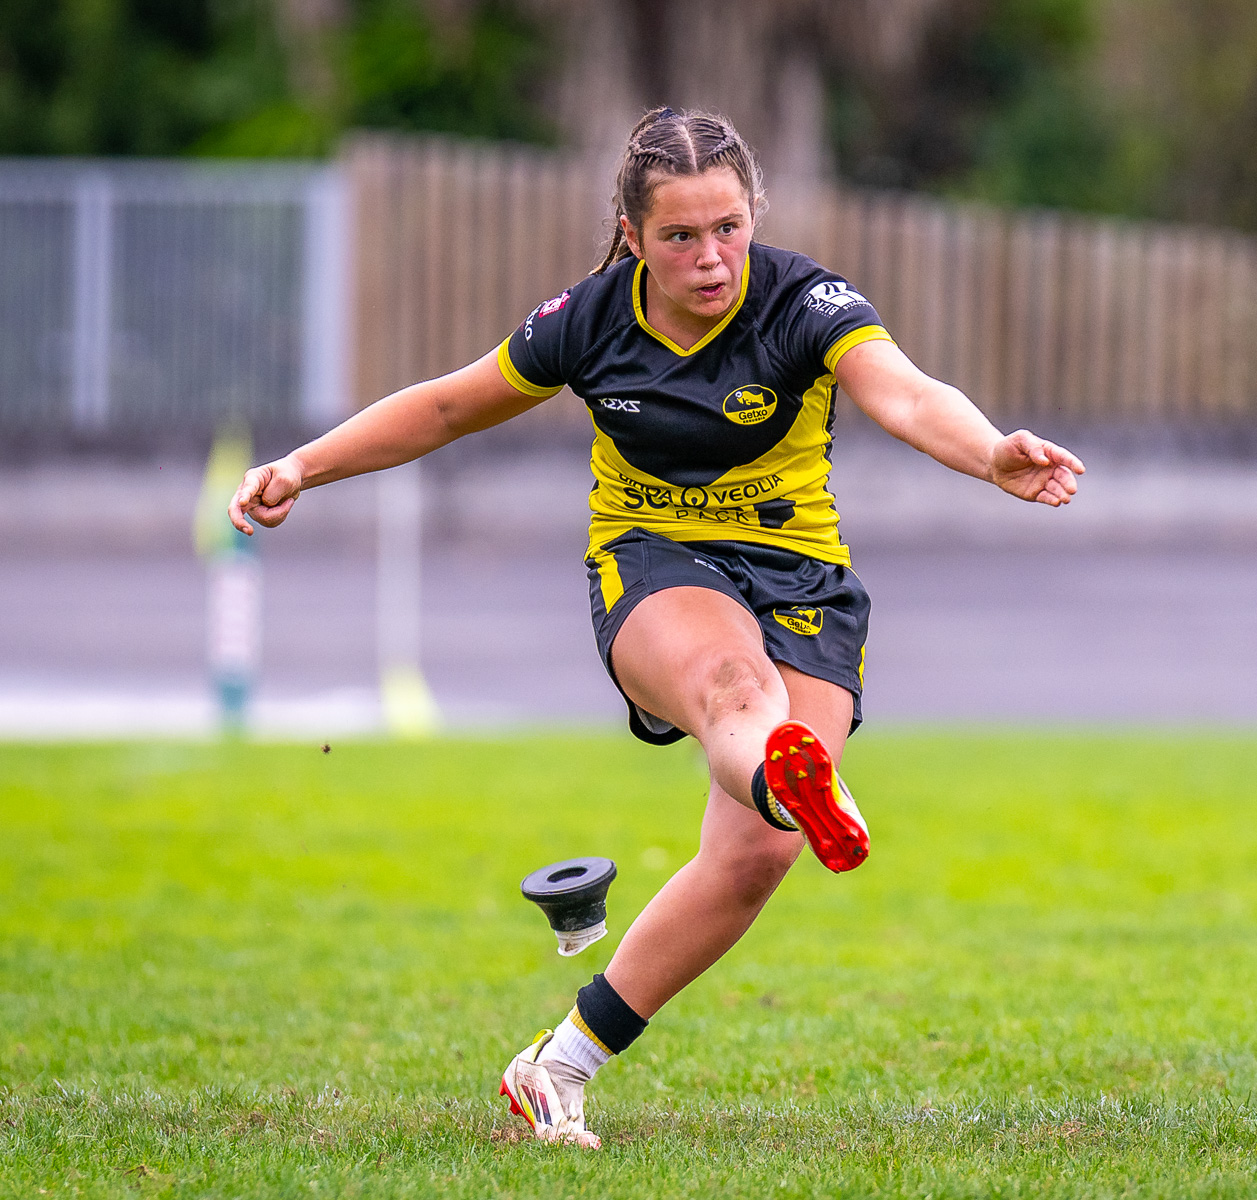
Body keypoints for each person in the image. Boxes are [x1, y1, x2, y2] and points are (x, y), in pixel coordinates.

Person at [228, 106, 1085, 1148]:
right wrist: (303, 465)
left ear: (754, 214)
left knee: (756, 857)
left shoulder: (805, 303)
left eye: (728, 228)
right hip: (653, 564)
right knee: (735, 688)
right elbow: (449, 406)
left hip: (801, 576)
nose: (711, 258)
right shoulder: (591, 320)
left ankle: (557, 1065)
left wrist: (990, 452)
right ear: (633, 235)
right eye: (680, 236)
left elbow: (904, 395)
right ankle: (787, 774)